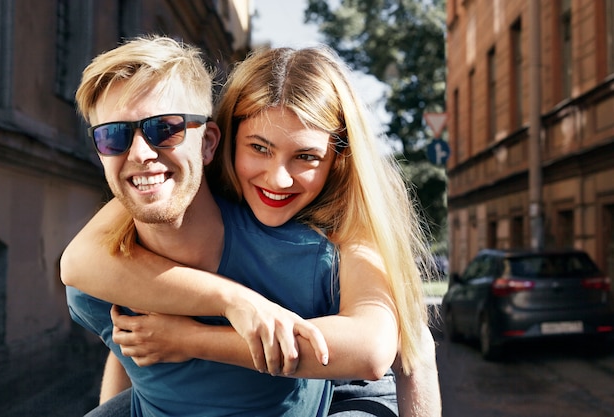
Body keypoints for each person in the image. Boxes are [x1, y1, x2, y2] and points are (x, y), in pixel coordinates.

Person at [62, 39, 441, 416]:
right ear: (226, 141)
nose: (277, 179)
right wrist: (235, 302)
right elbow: (82, 273)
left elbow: (377, 349)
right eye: (259, 148)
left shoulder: (336, 237)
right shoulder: (148, 200)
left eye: (306, 156)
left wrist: (190, 339)